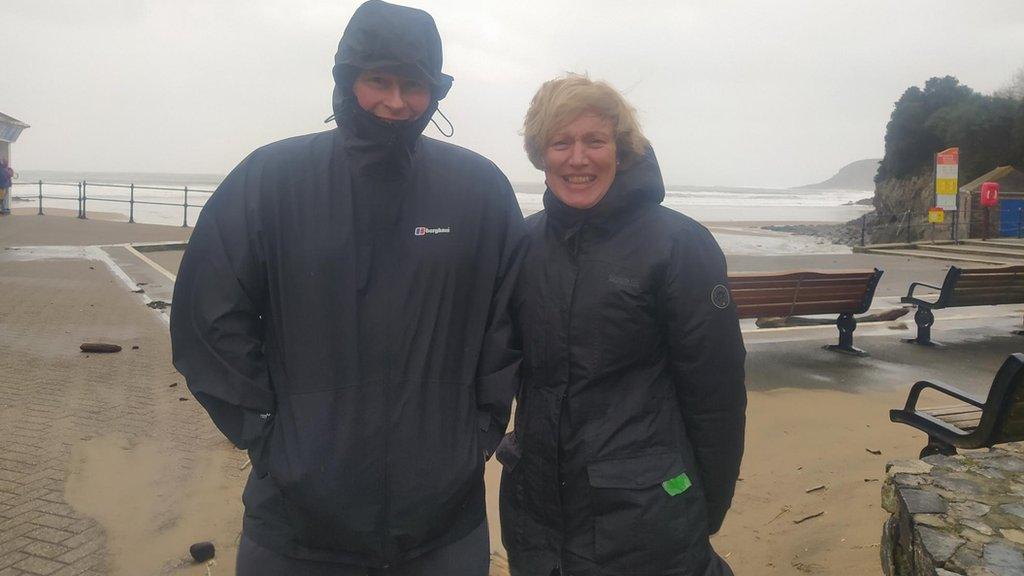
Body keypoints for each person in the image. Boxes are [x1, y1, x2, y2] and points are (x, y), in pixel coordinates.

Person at [169, 2, 524, 574]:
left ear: (435, 92)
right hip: (295, 524)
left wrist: (477, 432)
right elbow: (209, 315)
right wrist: (265, 434)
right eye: (377, 80)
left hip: (443, 527)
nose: (395, 101)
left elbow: (507, 323)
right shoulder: (272, 179)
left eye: (413, 85)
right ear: (345, 80)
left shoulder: (478, 190)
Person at [497, 75, 746, 576]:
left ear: (622, 148)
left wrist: (704, 507)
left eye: (595, 140)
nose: (578, 158)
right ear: (540, 154)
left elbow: (716, 396)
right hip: (536, 515)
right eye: (560, 142)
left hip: (645, 517)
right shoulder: (524, 244)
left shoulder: (678, 246)